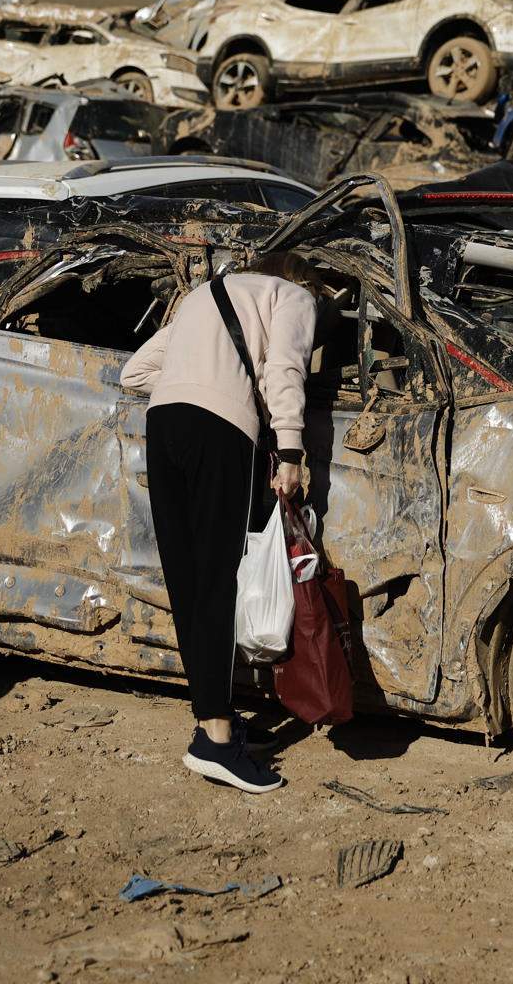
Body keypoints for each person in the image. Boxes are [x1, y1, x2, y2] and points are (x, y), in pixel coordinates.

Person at [118, 251, 320, 794]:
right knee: (215, 584)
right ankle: (214, 740)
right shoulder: (293, 295)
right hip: (219, 433)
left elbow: (132, 372)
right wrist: (291, 448)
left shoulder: (201, 296)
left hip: (163, 425)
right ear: (298, 277)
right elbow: (285, 369)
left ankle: (214, 715)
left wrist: (195, 378)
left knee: (189, 584)